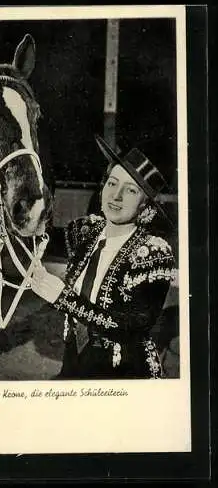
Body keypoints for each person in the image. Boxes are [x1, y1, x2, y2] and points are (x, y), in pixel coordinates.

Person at [31, 134, 177, 379]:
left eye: (130, 190)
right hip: (73, 364)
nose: (116, 195)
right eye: (112, 183)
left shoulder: (154, 255)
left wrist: (63, 299)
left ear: (146, 206)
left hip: (124, 374)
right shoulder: (86, 231)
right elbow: (34, 232)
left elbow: (131, 325)